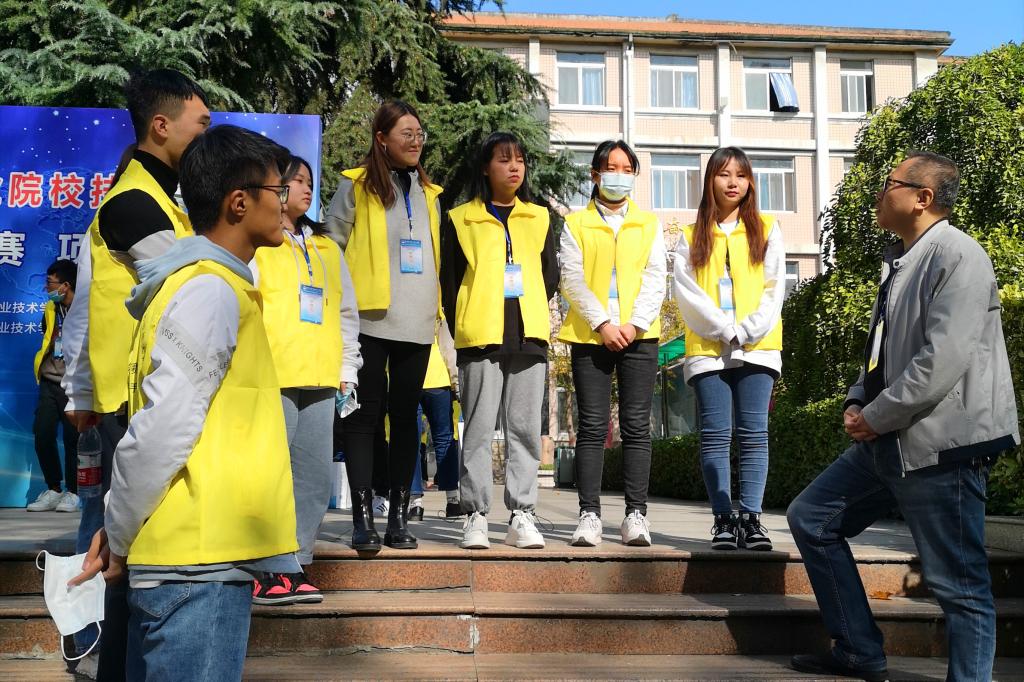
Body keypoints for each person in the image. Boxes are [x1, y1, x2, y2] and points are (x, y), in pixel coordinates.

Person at [72, 124, 300, 681]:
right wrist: (118, 531)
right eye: (278, 190)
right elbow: (162, 429)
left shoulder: (202, 285)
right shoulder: (210, 291)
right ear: (239, 202)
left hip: (191, 562)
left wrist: (118, 522)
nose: (287, 203)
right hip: (196, 570)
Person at [787, 151, 1019, 682]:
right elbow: (882, 353)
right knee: (812, 518)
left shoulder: (958, 255)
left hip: (943, 445)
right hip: (889, 439)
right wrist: (856, 399)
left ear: (922, 198)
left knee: (960, 586)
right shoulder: (901, 260)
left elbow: (942, 359)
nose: (878, 192)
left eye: (889, 183)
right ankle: (857, 650)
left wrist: (876, 415)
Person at [58, 67, 210, 677]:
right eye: (201, 123)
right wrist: (80, 390)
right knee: (126, 555)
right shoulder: (132, 203)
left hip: (142, 395)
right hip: (134, 402)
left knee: (130, 553)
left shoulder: (160, 200)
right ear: (161, 125)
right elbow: (191, 285)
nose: (206, 135)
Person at [326, 100, 443, 552]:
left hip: (417, 321)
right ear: (381, 138)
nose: (415, 141)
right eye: (405, 134)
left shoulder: (429, 193)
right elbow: (331, 247)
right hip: (368, 320)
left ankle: (398, 517)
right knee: (362, 417)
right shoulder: (355, 185)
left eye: (419, 134)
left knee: (407, 419)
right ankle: (363, 520)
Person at [250, 156, 362, 604]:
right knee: (270, 476)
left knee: (313, 477)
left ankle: (295, 565)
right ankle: (263, 567)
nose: (305, 187)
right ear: (274, 186)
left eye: (309, 181)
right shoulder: (258, 243)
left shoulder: (327, 247)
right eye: (296, 180)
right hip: (272, 375)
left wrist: (347, 370)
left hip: (320, 376)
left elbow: (346, 311)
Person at [441, 132, 558, 550]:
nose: (514, 167)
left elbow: (550, 276)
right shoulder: (460, 218)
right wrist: (467, 321)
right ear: (486, 168)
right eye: (505, 160)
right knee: (477, 429)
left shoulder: (539, 217)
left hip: (529, 336)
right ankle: (475, 514)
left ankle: (522, 514)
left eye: (520, 160)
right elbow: (450, 281)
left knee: (524, 430)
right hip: (480, 337)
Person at [672, 146, 785, 551]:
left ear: (750, 182)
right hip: (708, 348)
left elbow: (774, 288)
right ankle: (723, 520)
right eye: (724, 174)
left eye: (741, 174)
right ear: (710, 181)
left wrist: (747, 330)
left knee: (754, 434)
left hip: (758, 346)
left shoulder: (767, 229)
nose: (733, 182)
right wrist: (724, 329)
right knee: (715, 435)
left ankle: (751, 520)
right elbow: (686, 294)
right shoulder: (690, 236)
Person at [557, 139, 666, 547]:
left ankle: (636, 515)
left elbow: (656, 277)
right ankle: (589, 515)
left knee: (637, 426)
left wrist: (634, 324)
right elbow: (571, 278)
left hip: (640, 336)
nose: (619, 176)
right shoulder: (576, 223)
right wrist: (602, 323)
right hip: (591, 335)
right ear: (595, 174)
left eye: (626, 169)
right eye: (611, 168)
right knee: (592, 425)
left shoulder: (649, 224)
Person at [27, 259, 80, 513]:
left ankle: (74, 492)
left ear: (65, 285)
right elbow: (47, 335)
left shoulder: (85, 310)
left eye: (50, 283)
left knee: (73, 439)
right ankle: (54, 489)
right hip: (49, 381)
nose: (47, 287)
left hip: (75, 383)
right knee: (43, 434)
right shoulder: (51, 308)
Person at [411, 325, 462, 520]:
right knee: (444, 439)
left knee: (411, 441)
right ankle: (452, 501)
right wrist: (456, 382)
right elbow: (448, 347)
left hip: (409, 377)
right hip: (438, 378)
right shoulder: (437, 308)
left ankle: (415, 503)